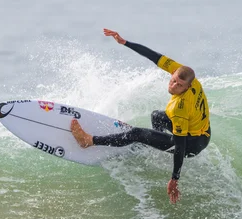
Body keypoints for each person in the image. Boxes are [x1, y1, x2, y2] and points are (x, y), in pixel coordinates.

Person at [70, 28, 211, 204]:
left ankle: (88, 141)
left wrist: (174, 179)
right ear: (173, 72)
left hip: (192, 144)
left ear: (187, 87)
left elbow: (181, 146)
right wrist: (125, 42)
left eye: (179, 85)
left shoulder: (179, 108)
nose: (173, 85)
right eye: (173, 80)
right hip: (201, 131)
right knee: (157, 116)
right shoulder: (189, 78)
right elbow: (154, 56)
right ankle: (155, 144)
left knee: (137, 133)